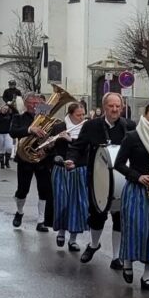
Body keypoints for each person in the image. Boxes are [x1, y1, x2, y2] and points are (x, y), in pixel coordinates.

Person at [70, 92, 133, 269]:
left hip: (122, 180)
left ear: (122, 107)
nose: (114, 109)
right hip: (97, 179)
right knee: (97, 216)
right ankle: (94, 244)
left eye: (118, 106)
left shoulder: (128, 126)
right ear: (104, 107)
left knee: (120, 218)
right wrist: (71, 160)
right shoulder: (92, 125)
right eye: (111, 106)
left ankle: (116, 257)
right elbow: (78, 146)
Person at [114, 103, 149, 290]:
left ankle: (147, 276)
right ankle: (128, 263)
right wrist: (138, 176)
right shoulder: (133, 136)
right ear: (145, 115)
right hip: (137, 188)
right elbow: (119, 164)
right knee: (135, 229)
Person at [10, 93, 57, 231]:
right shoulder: (19, 117)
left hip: (42, 159)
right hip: (25, 159)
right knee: (22, 190)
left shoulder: (45, 117)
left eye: (37, 103)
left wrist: (48, 148)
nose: (34, 105)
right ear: (26, 104)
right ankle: (19, 212)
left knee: (45, 190)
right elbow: (13, 132)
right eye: (31, 103)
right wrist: (30, 129)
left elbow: (52, 135)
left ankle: (41, 220)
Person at [51, 103, 89, 252]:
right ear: (71, 114)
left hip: (80, 169)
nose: (82, 117)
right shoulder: (59, 127)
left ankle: (73, 239)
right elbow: (53, 149)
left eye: (83, 114)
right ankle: (61, 232)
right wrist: (52, 146)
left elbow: (87, 149)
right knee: (62, 202)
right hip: (62, 169)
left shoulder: (86, 128)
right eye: (78, 115)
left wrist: (70, 140)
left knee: (78, 205)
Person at [0, 104, 14, 168]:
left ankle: (7, 162)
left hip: (7, 133)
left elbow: (16, 112)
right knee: (1, 148)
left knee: (9, 147)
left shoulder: (10, 116)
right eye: (4, 109)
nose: (5, 110)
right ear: (1, 109)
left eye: (6, 109)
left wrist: (11, 105)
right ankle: (2, 163)